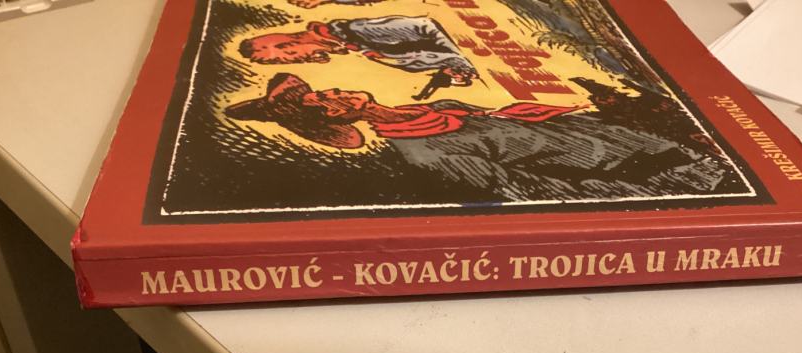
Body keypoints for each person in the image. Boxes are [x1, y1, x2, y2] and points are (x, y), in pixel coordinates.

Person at [224, 73, 736, 201]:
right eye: (324, 99)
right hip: (667, 177)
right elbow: (536, 191)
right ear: (333, 116)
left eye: (326, 88)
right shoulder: (423, 154)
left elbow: (528, 123)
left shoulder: (435, 107)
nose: (334, 90)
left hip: (654, 146)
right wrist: (669, 184)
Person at [238, 16, 477, 87]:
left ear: (287, 45)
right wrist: (452, 68)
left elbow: (426, 28)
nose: (303, 60)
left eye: (291, 57)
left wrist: (458, 60)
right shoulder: (354, 46)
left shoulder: (354, 30)